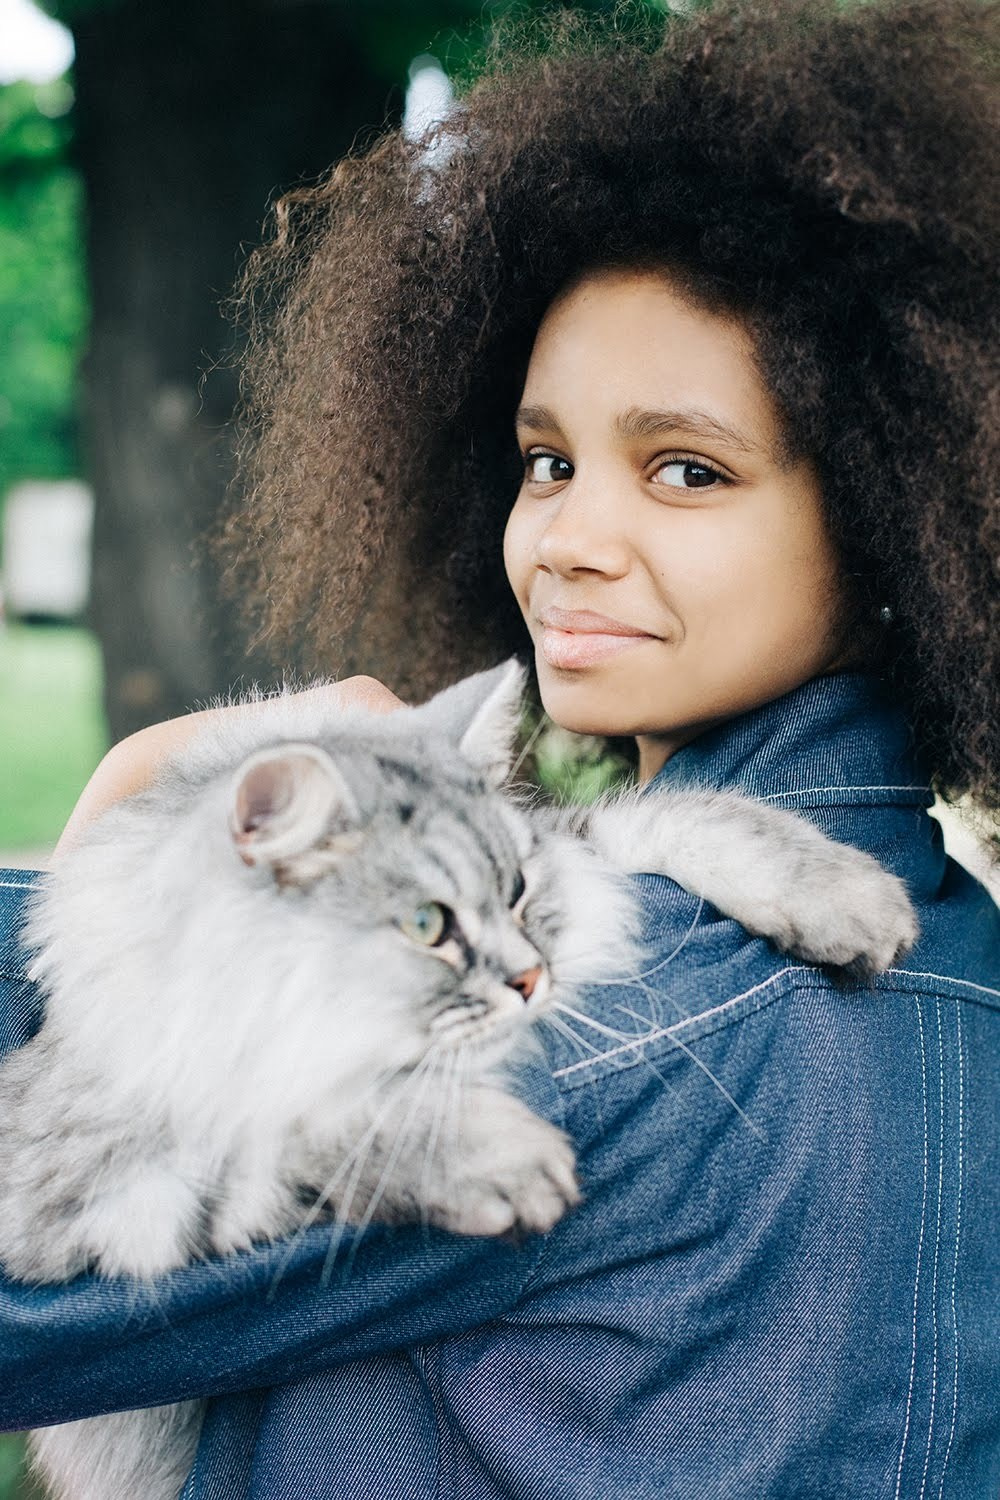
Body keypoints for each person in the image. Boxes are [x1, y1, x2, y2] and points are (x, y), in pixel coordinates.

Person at [1, 0, 998, 1494]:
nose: (570, 541)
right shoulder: (963, 961)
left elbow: (37, 1317)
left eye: (685, 469)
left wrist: (135, 797)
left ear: (890, 513)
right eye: (546, 461)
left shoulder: (589, 1034)